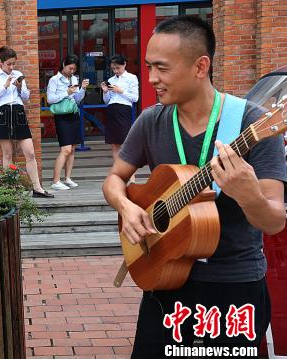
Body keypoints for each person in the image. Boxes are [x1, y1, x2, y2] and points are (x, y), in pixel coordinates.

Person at [103, 15, 285, 358]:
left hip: (232, 289)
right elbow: (114, 179)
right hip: (164, 278)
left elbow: (274, 221)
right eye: (148, 67)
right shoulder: (151, 120)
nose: (152, 79)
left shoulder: (254, 123)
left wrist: (248, 194)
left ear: (201, 66)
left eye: (162, 68)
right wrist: (126, 207)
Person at [0, 46, 53, 198]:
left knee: (30, 152)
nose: (11, 67)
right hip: (3, 113)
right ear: (0, 63)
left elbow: (25, 98)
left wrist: (20, 87)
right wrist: (5, 86)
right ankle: (11, 188)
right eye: (8, 64)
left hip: (18, 111)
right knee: (8, 154)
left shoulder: (18, 74)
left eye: (13, 64)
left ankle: (37, 188)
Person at [46, 55, 88, 191]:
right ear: (64, 64)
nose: (71, 71)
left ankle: (67, 178)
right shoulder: (54, 80)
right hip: (62, 116)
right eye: (70, 68)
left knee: (73, 148)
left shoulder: (74, 79)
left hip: (74, 113)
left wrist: (82, 89)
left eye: (74, 69)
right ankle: (55, 181)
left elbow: (77, 100)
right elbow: (50, 99)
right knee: (66, 149)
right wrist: (66, 92)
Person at [100, 54, 139, 183]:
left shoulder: (131, 78)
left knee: (124, 144)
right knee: (114, 145)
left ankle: (131, 177)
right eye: (113, 68)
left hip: (124, 110)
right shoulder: (111, 79)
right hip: (111, 110)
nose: (115, 71)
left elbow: (135, 98)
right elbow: (107, 101)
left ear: (124, 64)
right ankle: (119, 173)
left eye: (117, 68)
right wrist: (105, 91)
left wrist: (120, 91)